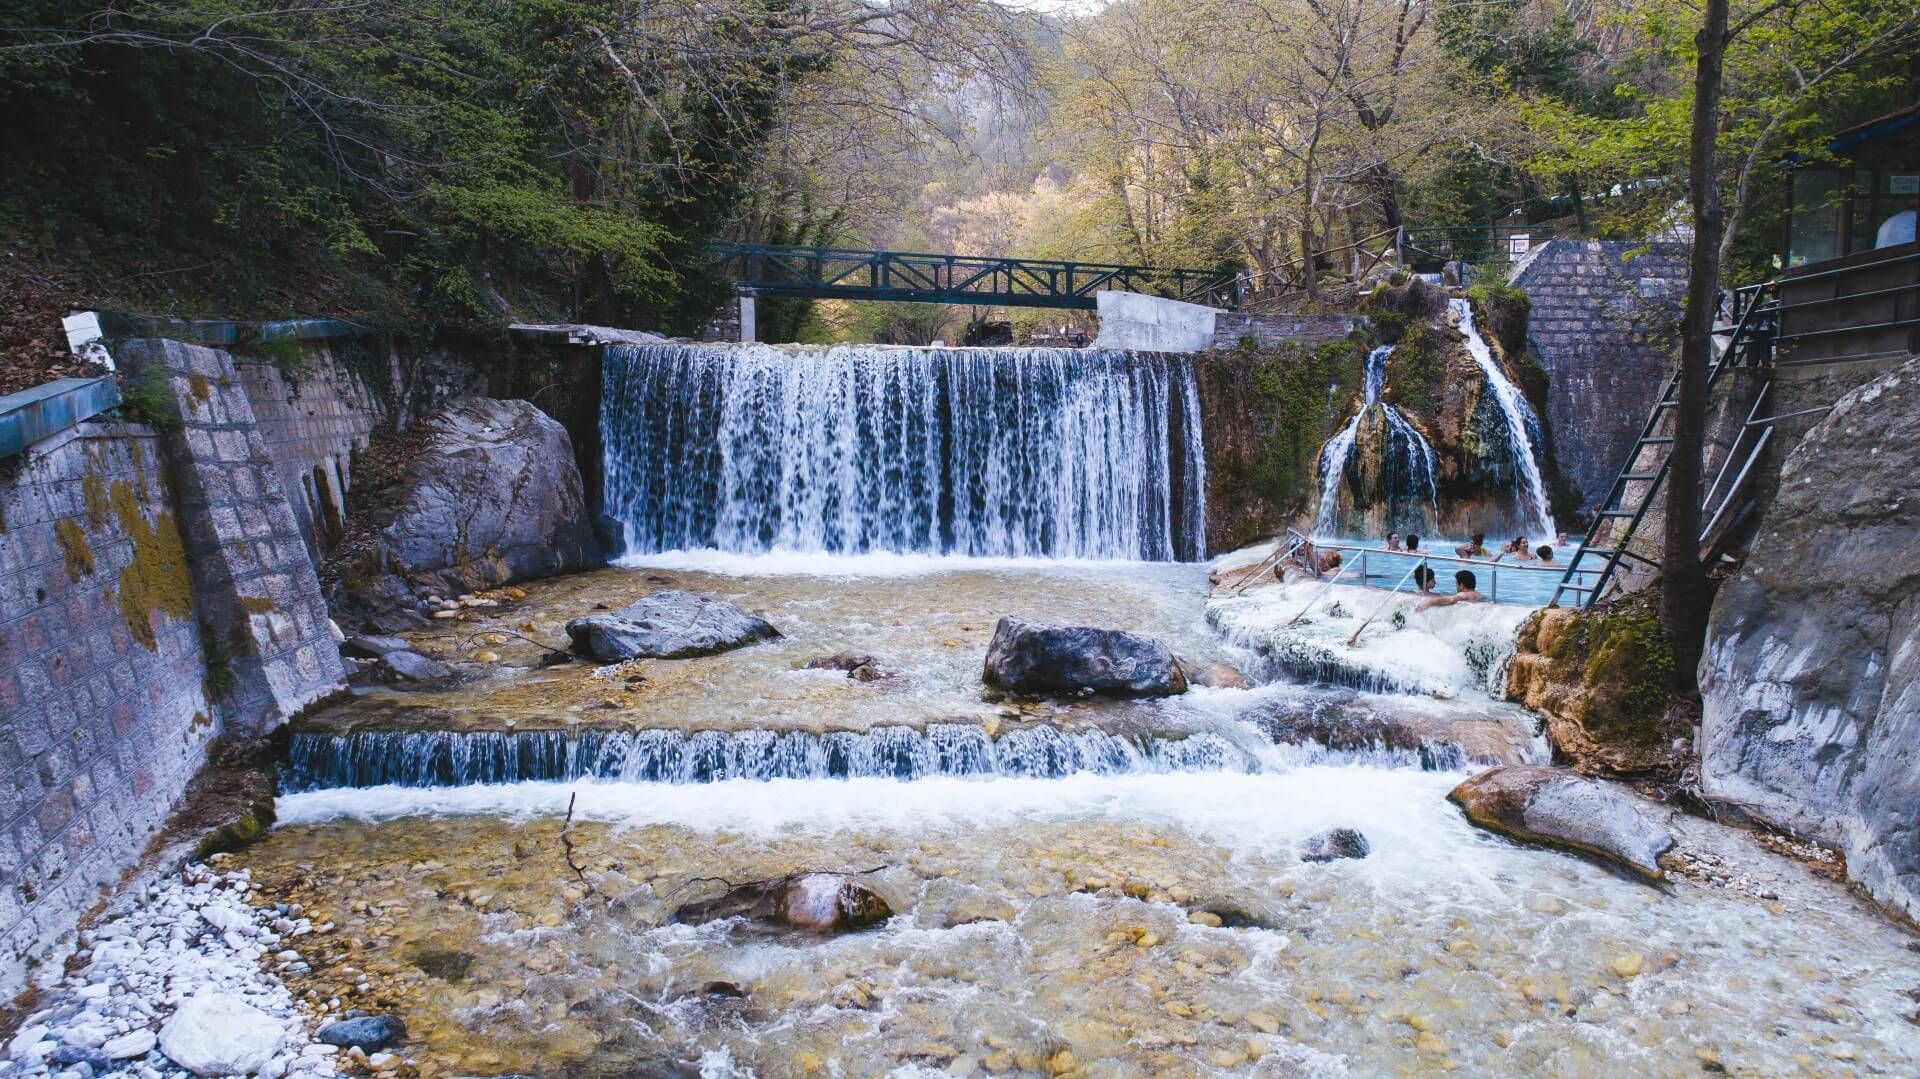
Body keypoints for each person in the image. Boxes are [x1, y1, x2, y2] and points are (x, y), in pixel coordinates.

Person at [1417, 570, 1487, 611]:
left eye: (1456, 583)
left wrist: (1430, 602)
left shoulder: (1464, 594)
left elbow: (1451, 600)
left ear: (1461, 585)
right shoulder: (1479, 595)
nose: (1455, 586)